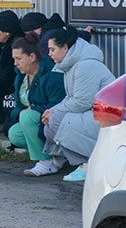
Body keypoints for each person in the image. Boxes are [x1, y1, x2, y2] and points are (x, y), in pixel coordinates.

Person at [42, 27, 116, 182]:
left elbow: (82, 102)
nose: (49, 54)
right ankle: (74, 162)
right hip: (92, 113)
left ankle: (87, 164)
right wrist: (52, 110)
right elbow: (71, 98)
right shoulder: (71, 65)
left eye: (52, 49)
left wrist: (54, 113)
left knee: (56, 120)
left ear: (65, 47)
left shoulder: (85, 66)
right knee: (49, 123)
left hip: (108, 118)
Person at [7, 34, 66, 177]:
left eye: (19, 59)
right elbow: (18, 106)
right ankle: (56, 155)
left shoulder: (52, 74)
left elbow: (58, 105)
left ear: (32, 57)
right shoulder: (21, 75)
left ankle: (45, 162)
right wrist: (20, 113)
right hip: (35, 121)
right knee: (14, 134)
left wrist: (31, 109)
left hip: (53, 121)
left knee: (28, 116)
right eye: (14, 59)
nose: (15, 63)